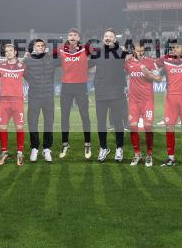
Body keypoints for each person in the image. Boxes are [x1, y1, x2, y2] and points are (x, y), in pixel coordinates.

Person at [90, 28, 130, 163]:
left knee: (118, 122)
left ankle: (119, 148)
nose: (108, 38)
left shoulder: (121, 51)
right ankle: (103, 148)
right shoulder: (97, 52)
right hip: (101, 92)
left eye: (110, 37)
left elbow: (132, 59)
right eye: (106, 36)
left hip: (116, 92)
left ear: (114, 39)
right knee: (101, 123)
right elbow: (85, 65)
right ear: (103, 38)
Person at [124, 40, 161, 167]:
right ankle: (137, 154)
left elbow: (159, 79)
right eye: (138, 50)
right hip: (133, 101)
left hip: (147, 100)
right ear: (133, 50)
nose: (140, 52)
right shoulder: (128, 63)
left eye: (142, 50)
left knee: (148, 126)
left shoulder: (150, 62)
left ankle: (149, 154)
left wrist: (148, 73)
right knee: (133, 126)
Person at [58, 28, 92, 159]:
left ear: (78, 38)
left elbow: (101, 55)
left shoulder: (86, 49)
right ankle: (65, 143)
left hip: (81, 86)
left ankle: (87, 144)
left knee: (85, 116)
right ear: (68, 37)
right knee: (64, 117)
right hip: (66, 87)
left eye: (75, 35)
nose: (72, 37)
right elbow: (47, 57)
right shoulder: (61, 49)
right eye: (70, 34)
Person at [23, 39, 58, 163]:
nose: (40, 47)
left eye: (42, 45)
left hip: (48, 97)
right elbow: (21, 72)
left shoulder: (51, 59)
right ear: (33, 47)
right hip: (34, 97)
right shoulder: (27, 60)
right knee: (33, 123)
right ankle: (34, 148)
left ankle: (47, 148)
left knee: (49, 123)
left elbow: (66, 60)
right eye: (38, 45)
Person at [0, 44, 26, 165]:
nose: (8, 53)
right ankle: (4, 153)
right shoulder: (1, 66)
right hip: (4, 102)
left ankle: (20, 153)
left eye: (10, 50)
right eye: (6, 51)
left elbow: (32, 77)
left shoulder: (22, 66)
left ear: (15, 52)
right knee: (2, 127)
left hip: (18, 101)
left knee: (19, 127)